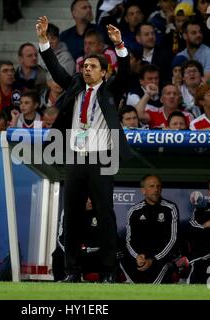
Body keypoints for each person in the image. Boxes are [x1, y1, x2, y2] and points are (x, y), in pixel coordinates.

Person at [36, 16, 131, 283]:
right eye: (85, 65)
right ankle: (71, 271)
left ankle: (109, 272)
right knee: (73, 218)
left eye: (92, 66)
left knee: (105, 216)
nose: (86, 69)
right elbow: (56, 70)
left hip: (102, 159)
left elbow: (126, 73)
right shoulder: (76, 86)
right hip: (75, 158)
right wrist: (44, 40)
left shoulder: (111, 90)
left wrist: (120, 45)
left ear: (104, 72)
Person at [120, 175, 180, 283]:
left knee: (165, 266)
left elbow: (173, 239)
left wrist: (153, 259)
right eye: (151, 186)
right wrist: (137, 256)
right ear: (143, 190)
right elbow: (129, 241)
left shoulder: (170, 208)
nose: (156, 190)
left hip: (161, 257)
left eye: (158, 186)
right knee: (122, 261)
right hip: (141, 257)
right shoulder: (134, 211)